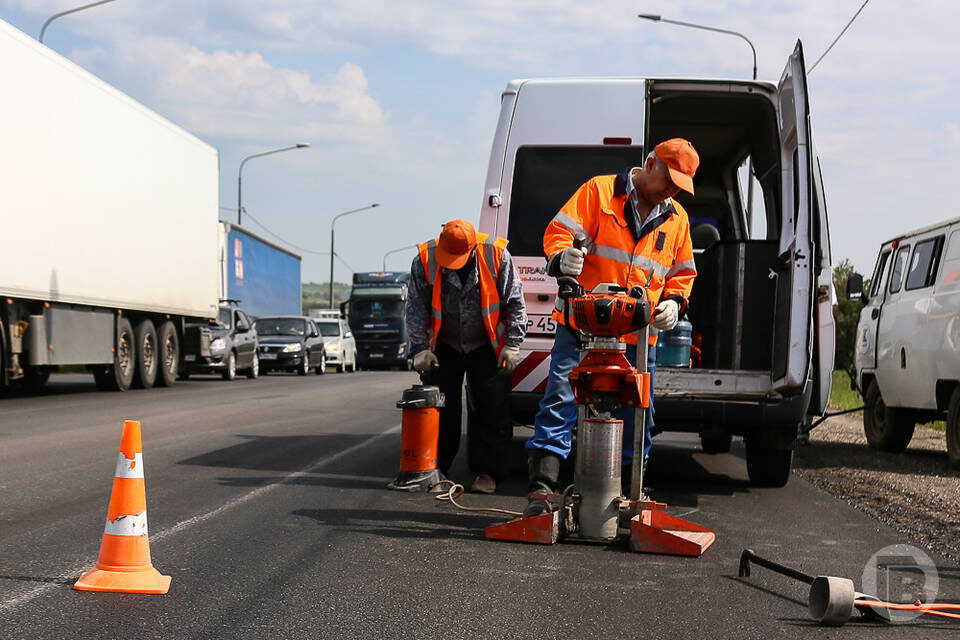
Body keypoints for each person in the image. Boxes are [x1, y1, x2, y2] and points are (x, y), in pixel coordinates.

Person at [524, 138, 699, 510]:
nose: (671, 192)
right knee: (560, 398)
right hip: (582, 325)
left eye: (679, 187)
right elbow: (557, 233)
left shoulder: (677, 219)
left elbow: (683, 273)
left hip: (638, 333)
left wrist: (672, 301)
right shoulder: (598, 192)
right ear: (650, 164)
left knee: (639, 409)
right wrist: (562, 258)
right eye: (669, 181)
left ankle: (625, 489)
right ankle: (543, 487)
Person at [406, 219, 527, 494]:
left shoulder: (496, 255)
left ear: (472, 249)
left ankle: (488, 473)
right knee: (441, 409)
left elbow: (515, 302)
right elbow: (415, 307)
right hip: (444, 345)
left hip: (486, 344)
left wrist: (513, 344)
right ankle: (437, 469)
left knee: (492, 410)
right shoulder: (425, 259)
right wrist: (419, 349)